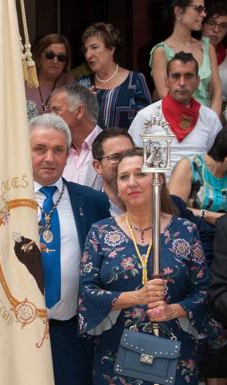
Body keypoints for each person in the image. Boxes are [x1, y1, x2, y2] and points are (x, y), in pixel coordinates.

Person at [79, 149, 208, 385]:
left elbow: (202, 291)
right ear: (116, 187)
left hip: (174, 351)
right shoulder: (101, 232)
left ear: (158, 180)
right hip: (115, 354)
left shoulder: (185, 231)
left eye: (140, 174)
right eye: (123, 177)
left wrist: (174, 310)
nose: (131, 183)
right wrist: (135, 297)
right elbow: (87, 292)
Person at [29, 113, 110, 385]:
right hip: (17, 333)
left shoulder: (92, 201)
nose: (49, 158)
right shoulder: (6, 201)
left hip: (71, 334)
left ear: (68, 155)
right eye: (40, 149)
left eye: (58, 150)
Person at [130, 52, 222, 175]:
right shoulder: (145, 116)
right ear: (167, 81)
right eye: (176, 76)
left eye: (189, 76)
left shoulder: (210, 118)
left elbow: (217, 164)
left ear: (198, 81)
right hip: (157, 191)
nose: (182, 82)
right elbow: (132, 161)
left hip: (199, 192)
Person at [150, 0, 222, 116]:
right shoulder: (161, 51)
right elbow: (165, 95)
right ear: (178, 11)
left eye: (204, 10)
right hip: (175, 122)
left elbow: (217, 91)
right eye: (198, 9)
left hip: (207, 124)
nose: (203, 14)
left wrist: (211, 122)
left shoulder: (208, 48)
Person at [77, 23, 151, 130]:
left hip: (127, 146)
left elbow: (146, 123)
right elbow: (73, 123)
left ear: (111, 49)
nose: (88, 55)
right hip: (91, 146)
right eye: (86, 50)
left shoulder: (134, 81)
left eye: (94, 47)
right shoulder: (83, 83)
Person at [48, 83, 103, 190]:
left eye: (56, 110)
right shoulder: (55, 151)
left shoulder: (111, 147)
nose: (50, 117)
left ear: (79, 111)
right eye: (49, 111)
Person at [26, 33, 75, 114]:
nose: (55, 61)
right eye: (50, 55)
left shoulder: (69, 82)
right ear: (39, 55)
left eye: (61, 57)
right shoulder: (24, 80)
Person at [202, 1, 227, 118]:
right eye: (212, 23)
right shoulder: (186, 52)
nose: (216, 30)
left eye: (223, 26)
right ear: (202, 23)